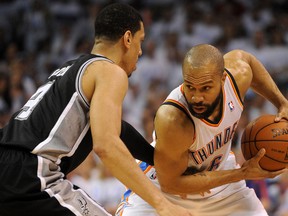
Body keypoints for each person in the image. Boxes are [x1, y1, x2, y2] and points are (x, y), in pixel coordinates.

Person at [0, 3, 193, 216]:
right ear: (127, 38)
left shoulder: (71, 68)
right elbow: (106, 145)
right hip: (32, 175)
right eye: (140, 42)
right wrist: (161, 204)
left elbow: (118, 130)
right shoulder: (110, 71)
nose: (139, 51)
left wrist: (158, 159)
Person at [116, 44, 288, 216]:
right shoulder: (173, 119)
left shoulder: (237, 76)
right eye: (190, 87)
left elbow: (248, 60)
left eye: (205, 88)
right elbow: (170, 183)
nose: (197, 97)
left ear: (223, 79)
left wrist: (282, 102)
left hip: (222, 184)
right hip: (168, 189)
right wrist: (241, 173)